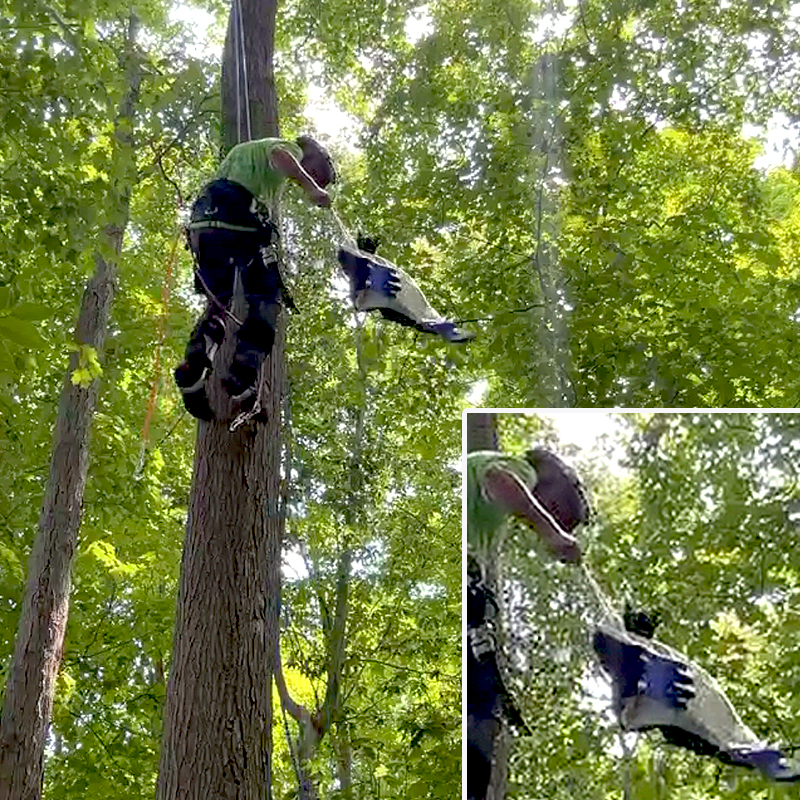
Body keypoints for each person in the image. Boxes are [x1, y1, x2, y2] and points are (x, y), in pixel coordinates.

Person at [175, 135, 335, 420]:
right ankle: (241, 374)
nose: (318, 181)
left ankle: (194, 370)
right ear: (314, 159)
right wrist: (311, 188)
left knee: (219, 304)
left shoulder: (245, 154)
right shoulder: (288, 148)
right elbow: (280, 156)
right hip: (235, 215)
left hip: (204, 222)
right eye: (320, 175)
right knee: (267, 299)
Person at [466, 449, 590, 800]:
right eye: (559, 514)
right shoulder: (520, 470)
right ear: (554, 487)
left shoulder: (488, 519)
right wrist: (550, 532)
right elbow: (498, 480)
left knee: (484, 706)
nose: (555, 522)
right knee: (481, 708)